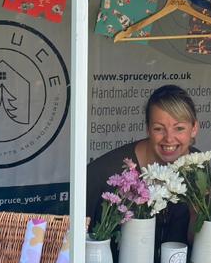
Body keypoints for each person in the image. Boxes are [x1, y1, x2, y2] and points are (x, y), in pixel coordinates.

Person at [84, 84, 203, 245]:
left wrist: (197, 214)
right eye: (159, 129)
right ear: (147, 129)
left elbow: (200, 243)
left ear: (194, 128)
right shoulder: (104, 173)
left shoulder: (199, 168)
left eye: (179, 128)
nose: (169, 138)